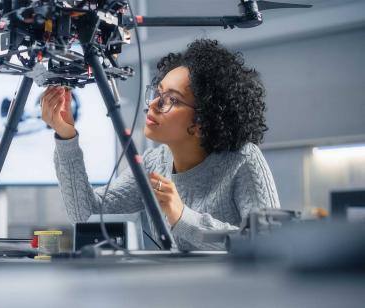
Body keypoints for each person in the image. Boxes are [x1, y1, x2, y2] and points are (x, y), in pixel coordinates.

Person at [41, 39, 280, 250]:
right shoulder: (154, 163)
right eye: (158, 93)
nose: (153, 105)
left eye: (171, 100)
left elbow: (269, 243)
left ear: (203, 121)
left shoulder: (243, 159)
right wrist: (66, 137)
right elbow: (86, 213)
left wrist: (183, 217)